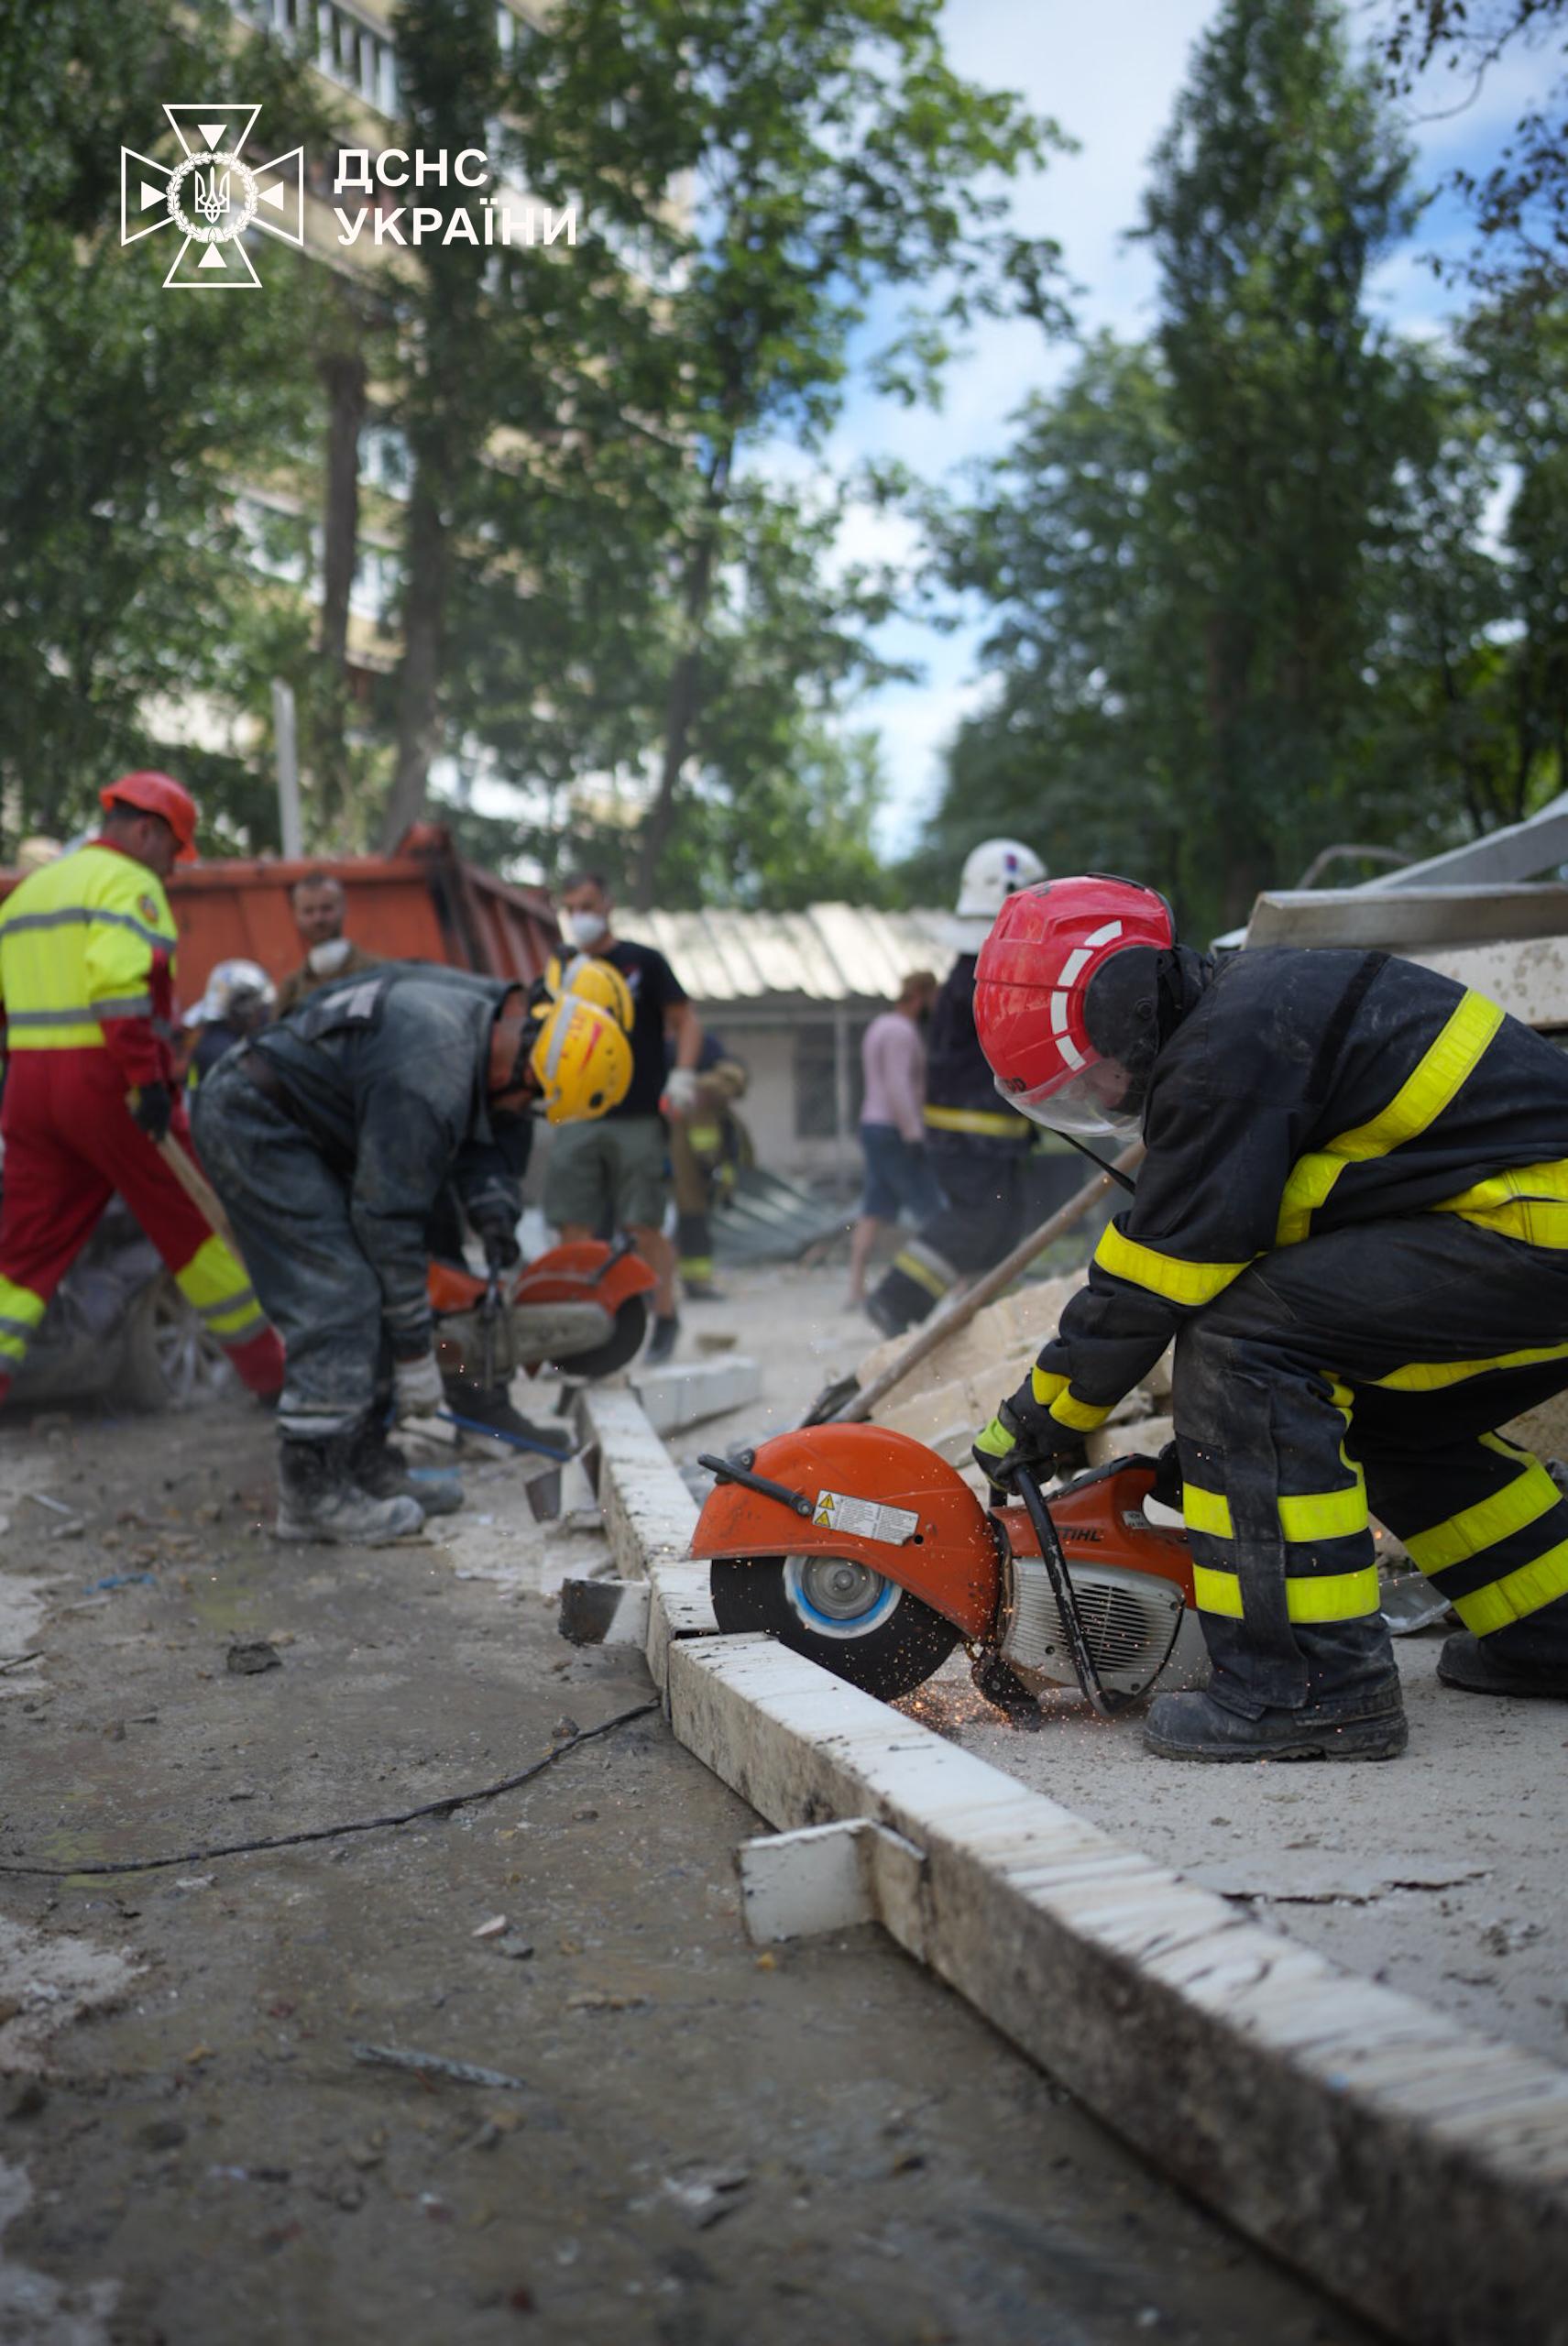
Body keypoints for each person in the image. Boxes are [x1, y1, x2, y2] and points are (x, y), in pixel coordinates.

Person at [970, 872, 1568, 1765]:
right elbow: (1246, 1246)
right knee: (1388, 1425)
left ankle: (1311, 1689)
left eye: (1092, 1076)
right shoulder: (1251, 1018)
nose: (1100, 1099)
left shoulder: (1228, 1051)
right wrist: (1222, 1459)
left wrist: (1037, 1420)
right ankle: (1549, 1629)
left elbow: (1154, 1276)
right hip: (1523, 1223)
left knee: (1237, 1343)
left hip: (1530, 1223)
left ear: (1118, 1003)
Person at [192, 967, 630, 1543]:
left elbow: (480, 1126)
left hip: (301, 1119)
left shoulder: (489, 1016)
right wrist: (413, 1355)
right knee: (339, 1292)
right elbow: (388, 1219)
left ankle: (363, 1464)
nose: (523, 1107)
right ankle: (311, 1493)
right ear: (529, 1064)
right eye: (531, 1096)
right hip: (253, 1119)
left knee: (368, 1282)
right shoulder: (432, 1069)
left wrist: (493, 1207)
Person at [0, 773, 284, 1408]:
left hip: (28, 1086)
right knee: (193, 1223)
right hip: (106, 1086)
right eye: (172, 851)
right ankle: (275, 1375)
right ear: (146, 831)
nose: (173, 870)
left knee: (22, 1255)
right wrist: (146, 1083)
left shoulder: (28, 894)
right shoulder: (129, 885)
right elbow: (116, 987)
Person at [865, 839, 1046, 1337]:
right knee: (975, 1221)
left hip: (989, 1131)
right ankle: (893, 1299)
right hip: (972, 1132)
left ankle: (994, 1324)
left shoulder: (976, 972)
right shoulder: (981, 977)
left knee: (1003, 1230)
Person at [543, 872, 703, 1365]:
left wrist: (683, 1077)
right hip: (576, 1116)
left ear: (608, 904)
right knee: (573, 1225)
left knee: (643, 1225)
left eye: (587, 905)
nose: (579, 917)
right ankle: (584, 1329)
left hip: (636, 1116)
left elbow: (685, 1020)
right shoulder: (561, 967)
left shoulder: (643, 962)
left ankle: (664, 1318)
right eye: (570, 908)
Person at [849, 970, 943, 1308]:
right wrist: (914, 1133)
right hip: (894, 1130)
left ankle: (855, 1287)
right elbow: (898, 1085)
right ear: (920, 997)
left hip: (873, 1125)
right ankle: (949, 1283)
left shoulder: (879, 1026)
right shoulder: (902, 1033)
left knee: (874, 1207)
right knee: (930, 1208)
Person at [665, 1029, 751, 1301]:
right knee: (681, 1220)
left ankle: (696, 1282)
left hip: (705, 1161)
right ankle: (682, 1282)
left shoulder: (706, 1046)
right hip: (678, 1155)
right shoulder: (660, 1044)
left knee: (695, 1221)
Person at [275, 872, 381, 1015]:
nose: (318, 919)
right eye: (308, 911)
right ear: (296, 916)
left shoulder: (377, 972)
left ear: (344, 908)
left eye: (326, 908)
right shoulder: (291, 990)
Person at [185, 959, 276, 1088]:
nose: (264, 1017)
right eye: (260, 1008)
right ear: (242, 1010)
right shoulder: (220, 1051)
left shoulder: (217, 1041)